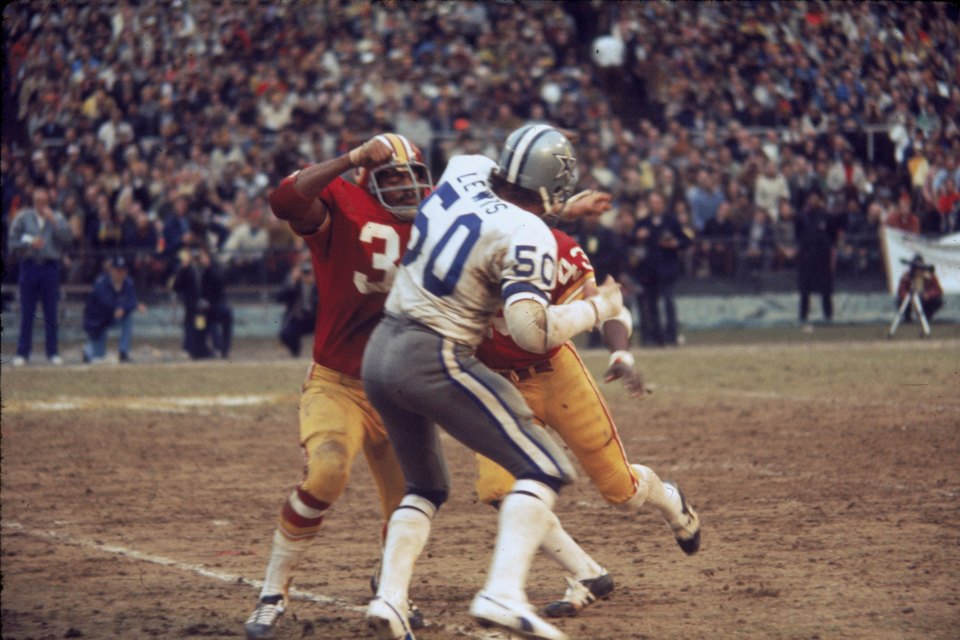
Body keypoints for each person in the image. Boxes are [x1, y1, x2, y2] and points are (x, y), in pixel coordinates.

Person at [361, 124, 626, 640]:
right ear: (550, 187)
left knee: (425, 487)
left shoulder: (464, 168)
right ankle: (503, 591)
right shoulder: (531, 233)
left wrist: (557, 211)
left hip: (381, 350)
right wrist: (599, 309)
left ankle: (390, 600)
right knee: (544, 466)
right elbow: (531, 331)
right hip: (435, 354)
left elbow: (489, 216)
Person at [243, 133, 433, 640]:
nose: (407, 187)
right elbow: (285, 199)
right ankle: (272, 591)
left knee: (413, 500)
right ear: (368, 182)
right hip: (341, 381)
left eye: (413, 177)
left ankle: (390, 587)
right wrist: (350, 159)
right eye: (393, 177)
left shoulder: (437, 219)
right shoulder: (345, 206)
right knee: (327, 474)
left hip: (401, 385)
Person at [473, 220, 701, 619]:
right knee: (499, 489)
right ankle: (587, 572)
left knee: (623, 492)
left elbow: (610, 307)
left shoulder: (555, 248)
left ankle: (669, 498)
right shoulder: (459, 246)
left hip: (555, 373)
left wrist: (621, 354)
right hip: (499, 384)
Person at [7, 185, 73, 366]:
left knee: (51, 311)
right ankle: (23, 352)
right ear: (33, 201)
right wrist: (29, 243)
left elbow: (68, 238)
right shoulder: (23, 217)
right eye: (38, 201)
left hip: (50, 267)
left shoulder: (57, 217)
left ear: (49, 201)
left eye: (44, 201)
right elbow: (12, 242)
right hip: (29, 266)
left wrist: (54, 222)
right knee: (26, 311)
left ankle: (52, 352)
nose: (41, 204)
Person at [633, 190, 690, 347]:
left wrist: (675, 243)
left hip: (667, 268)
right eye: (652, 202)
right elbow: (632, 238)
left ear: (663, 203)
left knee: (668, 301)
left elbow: (686, 240)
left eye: (657, 202)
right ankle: (656, 336)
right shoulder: (643, 222)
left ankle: (672, 334)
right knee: (651, 304)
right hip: (649, 270)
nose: (655, 205)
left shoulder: (672, 221)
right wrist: (638, 236)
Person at [82, 255, 143, 363]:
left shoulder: (128, 283)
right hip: (97, 320)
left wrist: (123, 308)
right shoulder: (101, 283)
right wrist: (118, 308)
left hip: (113, 317)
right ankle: (88, 350)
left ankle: (123, 352)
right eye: (117, 270)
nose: (120, 274)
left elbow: (132, 301)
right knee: (98, 355)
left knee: (128, 318)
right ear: (112, 270)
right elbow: (105, 302)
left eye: (123, 271)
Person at [795, 190, 841, 327]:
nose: (813, 201)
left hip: (823, 256)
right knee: (805, 288)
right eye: (811, 198)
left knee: (826, 288)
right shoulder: (801, 217)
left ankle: (828, 316)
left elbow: (834, 236)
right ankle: (803, 316)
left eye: (816, 198)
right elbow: (798, 234)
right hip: (806, 255)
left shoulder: (827, 217)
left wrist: (829, 247)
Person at [274, 259, 318, 357]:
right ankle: (296, 352)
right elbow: (279, 298)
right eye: (305, 272)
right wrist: (292, 282)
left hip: (315, 320)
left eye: (310, 272)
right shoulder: (295, 284)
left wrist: (318, 280)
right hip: (299, 319)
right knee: (285, 334)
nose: (308, 275)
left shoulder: (319, 285)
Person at [896, 254, 944, 323]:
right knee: (900, 301)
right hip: (911, 300)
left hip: (924, 299)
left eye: (920, 268)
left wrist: (929, 294)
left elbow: (938, 290)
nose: (918, 271)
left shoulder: (929, 276)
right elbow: (901, 290)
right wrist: (908, 297)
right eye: (916, 268)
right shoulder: (907, 276)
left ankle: (927, 316)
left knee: (937, 301)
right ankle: (908, 317)